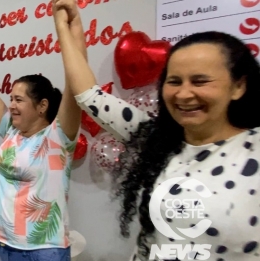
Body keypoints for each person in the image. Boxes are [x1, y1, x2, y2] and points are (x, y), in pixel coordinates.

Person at [52, 0, 260, 260]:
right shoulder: (156, 140)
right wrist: (66, 29)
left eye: (200, 81)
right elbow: (89, 95)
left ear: (239, 86)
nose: (184, 94)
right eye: (174, 81)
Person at [0, 7, 81, 260]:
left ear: (42, 106)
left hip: (45, 249)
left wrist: (69, 27)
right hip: (4, 242)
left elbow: (75, 84)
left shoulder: (58, 136)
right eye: (10, 98)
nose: (11, 105)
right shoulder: (10, 130)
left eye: (18, 100)